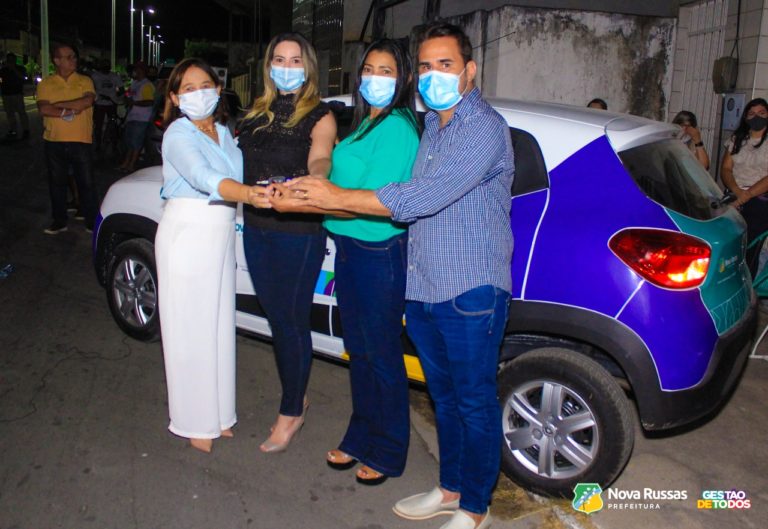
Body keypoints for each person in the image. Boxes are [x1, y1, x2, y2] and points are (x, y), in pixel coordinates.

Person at [276, 23, 513, 529]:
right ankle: (450, 489)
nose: (433, 76)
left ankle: (475, 507)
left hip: (470, 285)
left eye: (445, 65)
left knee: (473, 401)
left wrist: (334, 197)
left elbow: (422, 197)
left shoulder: (483, 128)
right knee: (443, 397)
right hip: (425, 284)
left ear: (470, 71)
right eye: (426, 66)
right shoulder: (436, 128)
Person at [271, 39, 420, 485]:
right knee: (361, 351)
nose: (375, 79)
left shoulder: (398, 128)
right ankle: (360, 437)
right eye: (369, 70)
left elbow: (371, 201)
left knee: (382, 355)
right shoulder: (365, 124)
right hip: (353, 251)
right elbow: (335, 183)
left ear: (403, 78)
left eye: (386, 71)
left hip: (378, 252)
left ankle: (389, 450)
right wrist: (301, 191)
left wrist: (304, 203)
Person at [237, 33, 337, 453]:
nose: (287, 67)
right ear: (268, 66)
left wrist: (316, 178)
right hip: (256, 227)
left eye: (295, 60)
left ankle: (292, 410)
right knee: (276, 318)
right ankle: (298, 394)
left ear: (308, 67)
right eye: (279, 59)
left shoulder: (320, 114)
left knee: (289, 321)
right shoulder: (254, 114)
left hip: (298, 231)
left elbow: (321, 156)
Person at [155, 57, 256, 453]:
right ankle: (194, 420)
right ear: (175, 98)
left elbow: (238, 172)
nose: (198, 94)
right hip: (189, 232)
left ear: (218, 89)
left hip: (220, 232)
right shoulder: (177, 134)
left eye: (205, 86)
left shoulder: (225, 133)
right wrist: (248, 194)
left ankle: (219, 414)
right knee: (190, 330)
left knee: (218, 327)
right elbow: (201, 176)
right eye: (188, 88)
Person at [36, 44, 98, 234]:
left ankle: (91, 221)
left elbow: (87, 101)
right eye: (69, 57)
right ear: (57, 61)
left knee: (87, 183)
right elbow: (44, 109)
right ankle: (59, 220)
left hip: (81, 140)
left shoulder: (84, 80)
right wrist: (70, 109)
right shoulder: (46, 83)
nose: (74, 60)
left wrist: (56, 105)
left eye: (74, 56)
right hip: (54, 141)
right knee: (57, 184)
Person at [721, 97, 768, 277]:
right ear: (746, 117)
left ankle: (747, 282)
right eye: (752, 113)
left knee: (751, 246)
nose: (757, 117)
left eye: (762, 113)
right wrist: (736, 191)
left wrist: (746, 195)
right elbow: (726, 169)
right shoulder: (737, 139)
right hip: (735, 193)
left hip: (759, 197)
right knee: (728, 243)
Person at [118, 61, 155, 172]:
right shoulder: (135, 83)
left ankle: (131, 164)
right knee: (130, 142)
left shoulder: (147, 85)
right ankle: (126, 163)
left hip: (141, 118)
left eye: (137, 69)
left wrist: (134, 103)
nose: (135, 71)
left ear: (142, 71)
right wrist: (127, 97)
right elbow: (129, 94)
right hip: (132, 116)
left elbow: (149, 102)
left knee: (136, 143)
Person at [90, 59, 122, 150]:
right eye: (103, 64)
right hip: (99, 104)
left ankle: (113, 143)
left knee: (113, 124)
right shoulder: (95, 76)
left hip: (111, 104)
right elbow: (91, 88)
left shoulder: (115, 76)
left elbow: (121, 89)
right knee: (98, 125)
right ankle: (98, 144)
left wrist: (115, 98)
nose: (105, 66)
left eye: (107, 64)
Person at [0, 52, 30, 139]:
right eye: (9, 60)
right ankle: (13, 130)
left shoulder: (21, 68)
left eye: (12, 59)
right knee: (10, 113)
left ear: (15, 60)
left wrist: (14, 69)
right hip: (6, 94)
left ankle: (26, 130)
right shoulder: (3, 70)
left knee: (21, 112)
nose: (10, 61)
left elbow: (24, 78)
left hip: (17, 94)